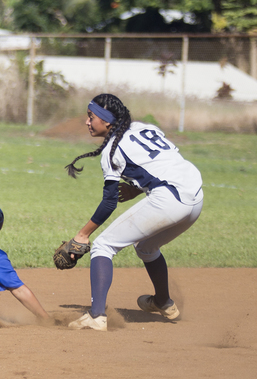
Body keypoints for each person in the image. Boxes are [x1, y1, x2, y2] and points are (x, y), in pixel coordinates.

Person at [61, 93, 203, 331]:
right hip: (195, 199)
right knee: (146, 246)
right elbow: (165, 163)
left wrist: (82, 235)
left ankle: (97, 316)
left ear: (107, 122)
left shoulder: (111, 152)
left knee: (103, 245)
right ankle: (163, 302)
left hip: (170, 199)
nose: (87, 122)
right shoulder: (144, 128)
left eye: (91, 117)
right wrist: (138, 189)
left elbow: (108, 203)